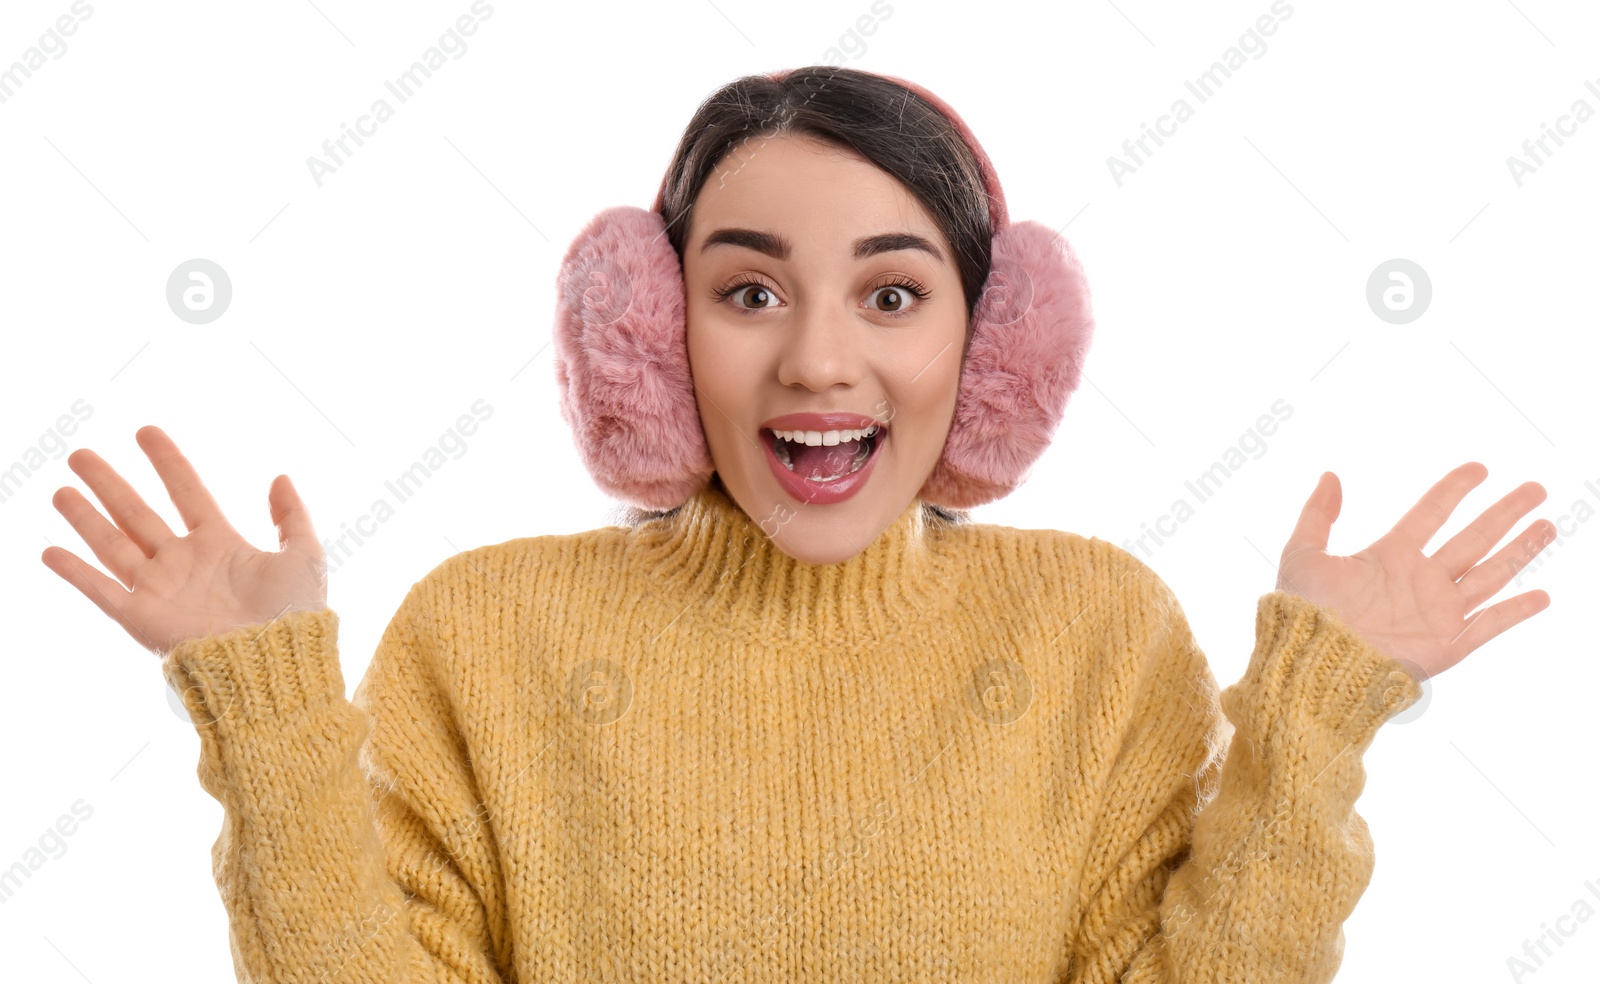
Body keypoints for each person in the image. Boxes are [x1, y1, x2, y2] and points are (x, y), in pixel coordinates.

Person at [40, 66, 1554, 982]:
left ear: (993, 348)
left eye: (892, 294)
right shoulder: (483, 634)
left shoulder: (1094, 628)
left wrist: (1313, 721)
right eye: (748, 291)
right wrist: (269, 716)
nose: (820, 359)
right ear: (642, 335)